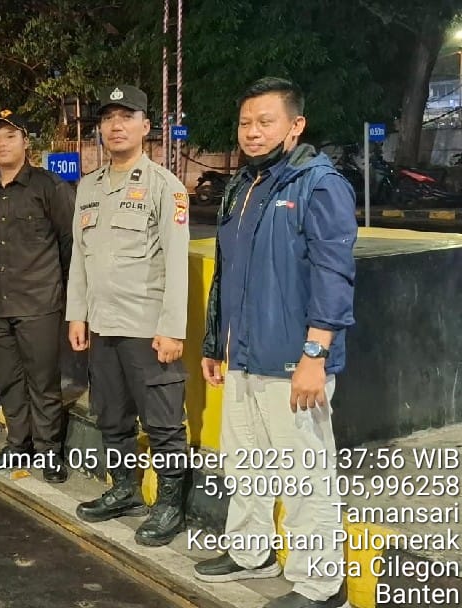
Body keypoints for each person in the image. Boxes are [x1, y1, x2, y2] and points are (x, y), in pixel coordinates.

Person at [193, 77, 355, 608]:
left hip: (293, 361)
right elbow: (228, 273)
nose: (253, 132)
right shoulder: (243, 186)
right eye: (245, 123)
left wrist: (315, 355)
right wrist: (214, 342)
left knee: (306, 476)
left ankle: (320, 585)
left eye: (266, 121)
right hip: (242, 356)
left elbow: (334, 275)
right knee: (246, 466)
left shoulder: (319, 184)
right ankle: (250, 552)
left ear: (295, 125)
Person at [66, 85, 191, 546]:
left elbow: (176, 262)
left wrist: (171, 329)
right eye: (108, 118)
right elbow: (80, 258)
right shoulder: (89, 187)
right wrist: (77, 315)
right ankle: (125, 489)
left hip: (147, 328)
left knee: (163, 422)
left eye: (126, 117)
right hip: (103, 326)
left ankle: (170, 506)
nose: (116, 126)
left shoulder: (165, 186)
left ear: (146, 127)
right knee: (111, 416)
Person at [0, 110, 75, 483]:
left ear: (26, 142)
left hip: (39, 304)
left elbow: (68, 243)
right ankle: (18, 444)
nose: (2, 143)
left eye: (10, 136)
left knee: (43, 382)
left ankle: (48, 451)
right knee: (8, 380)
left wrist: (65, 297)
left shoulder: (49, 187)